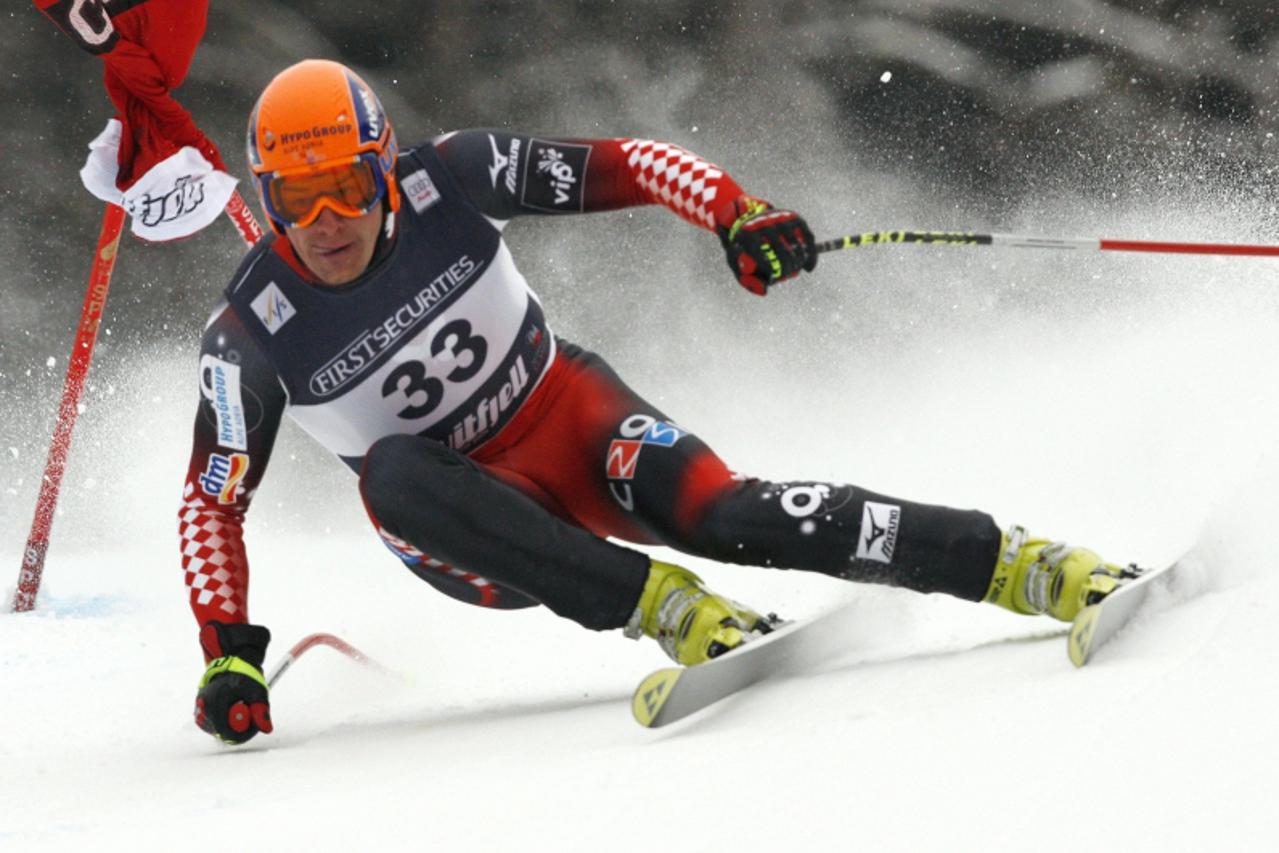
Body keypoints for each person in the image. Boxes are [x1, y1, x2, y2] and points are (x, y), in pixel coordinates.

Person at [183, 59, 1133, 744]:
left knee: (727, 511)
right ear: (265, 201)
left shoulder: (455, 178)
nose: (325, 224)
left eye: (345, 187)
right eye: (295, 200)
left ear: (384, 169)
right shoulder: (249, 334)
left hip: (566, 415)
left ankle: (1021, 564)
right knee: (392, 471)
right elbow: (209, 503)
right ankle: (665, 608)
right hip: (466, 524)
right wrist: (228, 648)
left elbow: (632, 162)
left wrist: (734, 209)